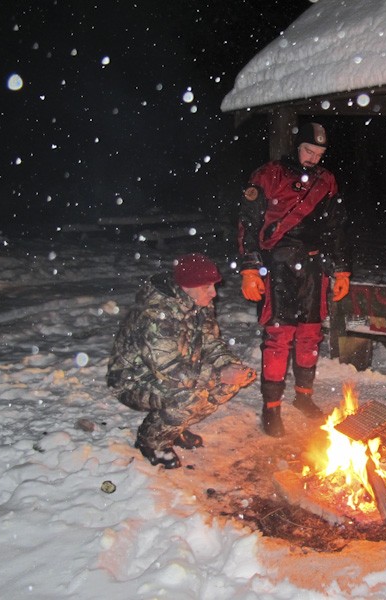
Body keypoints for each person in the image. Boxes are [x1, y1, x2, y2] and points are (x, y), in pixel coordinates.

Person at [237, 122, 351, 437]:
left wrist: (341, 269)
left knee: (310, 335)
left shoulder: (327, 181)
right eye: (308, 150)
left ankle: (304, 396)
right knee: (278, 337)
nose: (313, 158)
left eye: (319, 153)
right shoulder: (268, 175)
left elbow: (335, 228)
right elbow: (248, 222)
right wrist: (249, 268)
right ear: (296, 146)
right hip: (277, 267)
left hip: (313, 267)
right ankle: (271, 408)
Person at [106, 253, 256, 468]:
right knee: (188, 397)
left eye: (214, 286)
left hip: (176, 368)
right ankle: (152, 442)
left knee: (227, 384)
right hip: (133, 378)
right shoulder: (157, 314)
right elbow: (167, 369)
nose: (214, 293)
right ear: (187, 287)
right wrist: (218, 374)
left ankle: (174, 427)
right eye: (207, 287)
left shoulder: (199, 302)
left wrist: (228, 365)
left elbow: (210, 341)